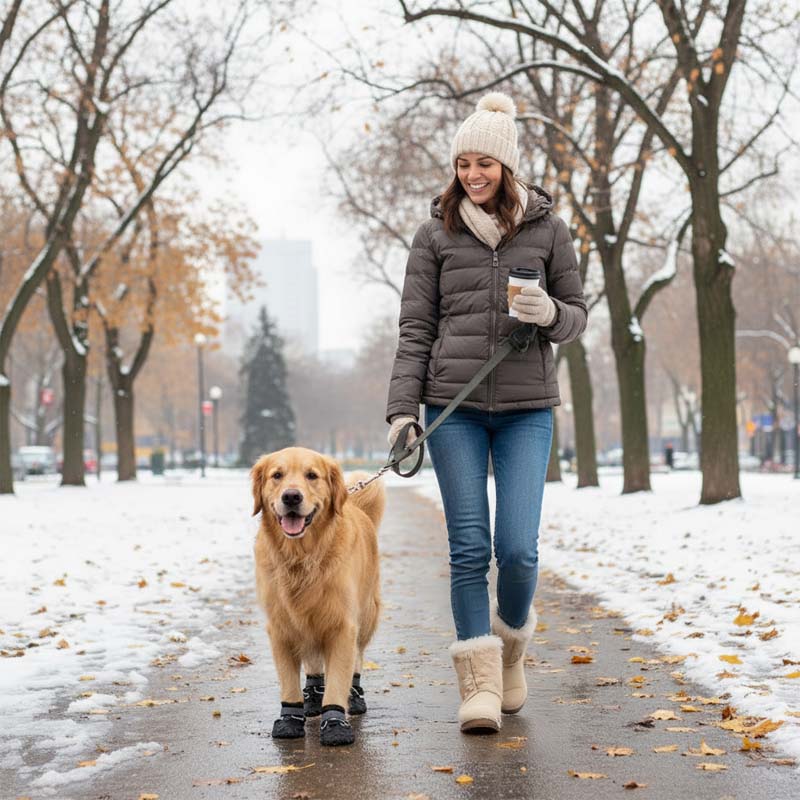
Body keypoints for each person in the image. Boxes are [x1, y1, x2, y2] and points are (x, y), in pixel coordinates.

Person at [385, 92, 587, 734]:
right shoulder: (435, 234)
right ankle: (476, 686)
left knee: (519, 550)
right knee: (469, 548)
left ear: (508, 166)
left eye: (485, 164)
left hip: (529, 409)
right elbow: (415, 326)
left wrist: (551, 315)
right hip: (456, 408)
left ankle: (510, 652)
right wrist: (402, 412)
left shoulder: (550, 231)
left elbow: (578, 315)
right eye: (464, 163)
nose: (473, 175)